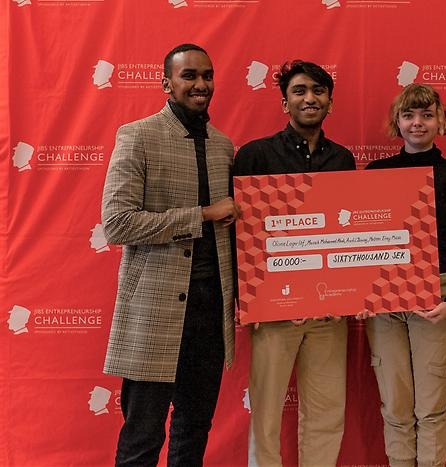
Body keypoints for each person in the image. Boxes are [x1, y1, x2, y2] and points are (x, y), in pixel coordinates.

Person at [101, 43, 239, 467]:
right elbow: (117, 223)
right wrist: (202, 215)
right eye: (189, 75)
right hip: (153, 311)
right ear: (166, 83)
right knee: (142, 435)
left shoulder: (223, 146)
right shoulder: (137, 136)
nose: (201, 84)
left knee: (194, 431)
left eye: (207, 76)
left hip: (209, 311)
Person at [233, 60, 356, 467]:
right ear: (285, 102)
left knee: (326, 412)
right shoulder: (255, 155)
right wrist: (247, 300)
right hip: (273, 311)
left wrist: (349, 294)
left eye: (318, 91)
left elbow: (347, 234)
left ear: (330, 102)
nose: (310, 98)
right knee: (266, 413)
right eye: (300, 90)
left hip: (328, 313)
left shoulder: (343, 159)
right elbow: (240, 236)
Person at [363, 83, 446, 467]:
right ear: (397, 122)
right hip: (385, 303)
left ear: (440, 121)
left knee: (431, 409)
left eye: (427, 115)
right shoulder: (375, 173)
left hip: (439, 297)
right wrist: (358, 293)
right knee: (395, 406)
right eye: (409, 115)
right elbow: (361, 242)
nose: (418, 123)